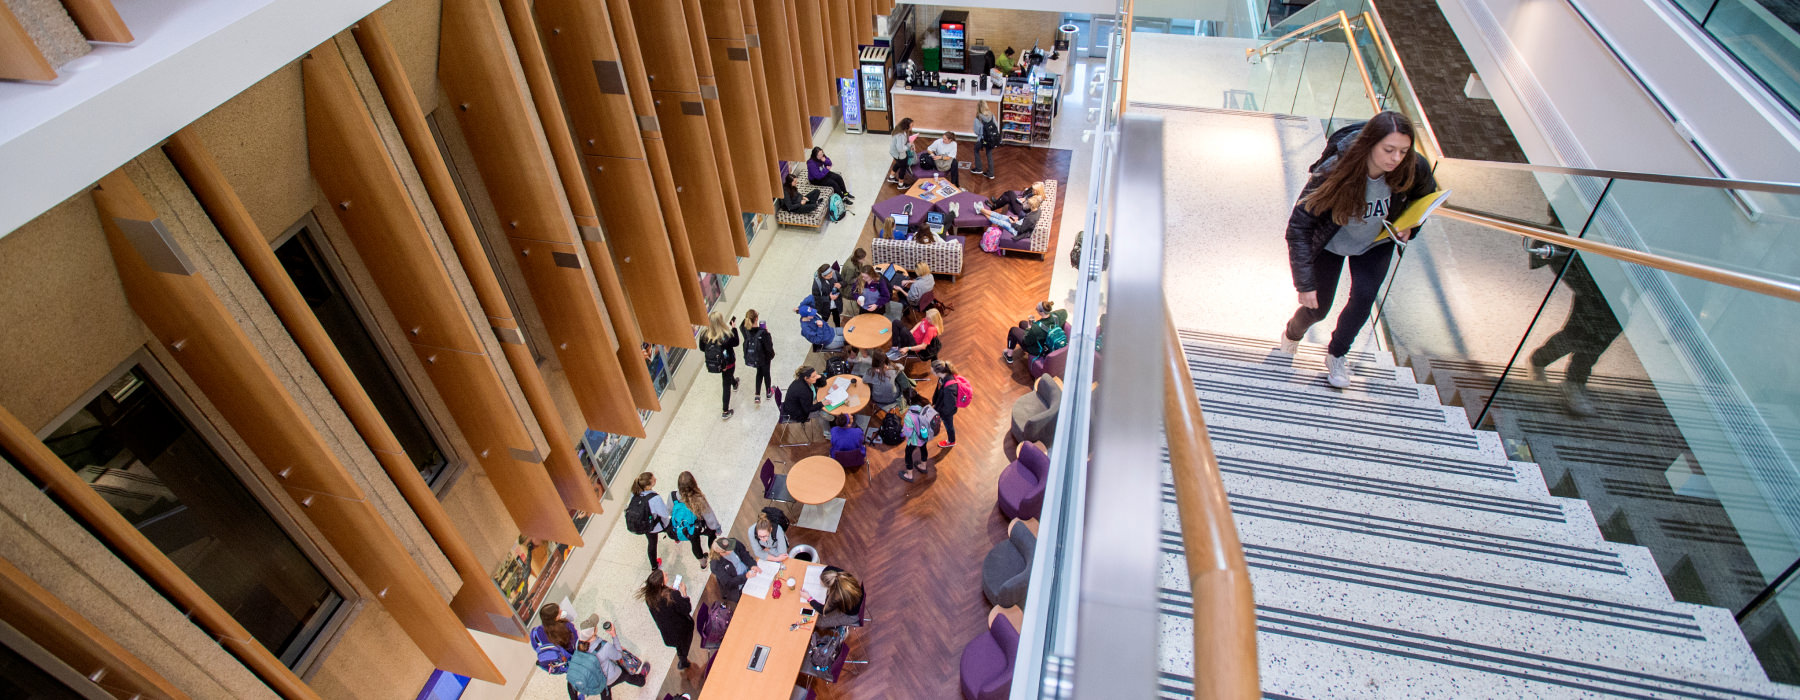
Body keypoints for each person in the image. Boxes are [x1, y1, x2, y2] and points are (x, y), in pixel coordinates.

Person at [1279, 111, 1437, 388]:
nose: (1396, 158)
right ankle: (1292, 333)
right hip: (1331, 241)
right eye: (1389, 150)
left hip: (1376, 242)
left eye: (1403, 151)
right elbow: (1299, 227)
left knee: (1363, 299)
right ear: (1370, 144)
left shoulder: (1412, 166)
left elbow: (1424, 197)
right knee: (1318, 309)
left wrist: (1411, 226)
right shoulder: (1334, 170)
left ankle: (1337, 354)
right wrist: (1304, 284)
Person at [1525, 255, 1620, 416]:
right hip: (1580, 251)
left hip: (1616, 264)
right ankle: (1556, 369)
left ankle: (1566, 374)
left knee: (1609, 317)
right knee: (1594, 314)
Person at [637, 570, 695, 670]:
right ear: (661, 583)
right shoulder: (672, 595)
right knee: (684, 646)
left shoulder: (649, 598)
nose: (667, 575)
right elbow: (686, 609)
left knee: (679, 646)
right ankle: (683, 661)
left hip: (668, 633)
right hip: (682, 629)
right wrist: (684, 593)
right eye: (665, 576)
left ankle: (682, 658)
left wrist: (668, 590)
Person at [532, 603, 584, 700]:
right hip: (571, 659)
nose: (562, 612)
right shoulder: (567, 626)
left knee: (571, 678)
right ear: (554, 618)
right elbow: (575, 645)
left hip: (558, 662)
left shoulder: (535, 632)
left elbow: (536, 647)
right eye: (559, 613)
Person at [697, 312, 740, 419]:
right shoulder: (726, 335)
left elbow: (702, 348)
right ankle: (725, 411)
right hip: (728, 363)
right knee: (726, 384)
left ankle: (734, 383)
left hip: (715, 363)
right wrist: (734, 328)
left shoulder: (704, 335)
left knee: (728, 376)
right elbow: (737, 342)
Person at [673, 471, 721, 561]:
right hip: (700, 526)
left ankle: (702, 562)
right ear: (693, 483)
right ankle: (714, 556)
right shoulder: (698, 498)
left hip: (687, 528)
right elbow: (709, 516)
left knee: (695, 543)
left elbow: (669, 511)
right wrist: (717, 528)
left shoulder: (673, 496)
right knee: (711, 535)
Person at [1003, 301, 1069, 364]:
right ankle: (1015, 341)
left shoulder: (1036, 328)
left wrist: (1029, 328)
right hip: (1049, 341)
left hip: (1039, 349)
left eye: (1036, 309)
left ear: (1041, 312)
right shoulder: (1058, 315)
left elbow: (1026, 341)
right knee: (1022, 323)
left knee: (1013, 330)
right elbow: (1064, 312)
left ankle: (1009, 356)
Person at [629, 472, 671, 569]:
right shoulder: (654, 498)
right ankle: (676, 538)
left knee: (652, 544)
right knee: (670, 527)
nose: (655, 479)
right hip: (656, 525)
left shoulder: (633, 494)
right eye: (653, 480)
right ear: (648, 486)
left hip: (645, 526)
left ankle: (654, 566)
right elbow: (665, 514)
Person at [801, 567, 866, 629]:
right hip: (854, 601)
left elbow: (823, 611)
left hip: (851, 615)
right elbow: (827, 568)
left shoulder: (836, 595)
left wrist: (809, 598)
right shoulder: (841, 574)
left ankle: (839, 628)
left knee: (818, 621)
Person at [740, 311, 776, 406]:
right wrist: (767, 332)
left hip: (754, 358)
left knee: (759, 373)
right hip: (764, 359)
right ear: (756, 319)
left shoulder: (745, 330)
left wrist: (748, 316)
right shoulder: (762, 332)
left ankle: (757, 395)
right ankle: (769, 392)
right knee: (766, 374)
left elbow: (742, 324)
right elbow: (769, 346)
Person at [899, 392, 938, 482]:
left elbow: (908, 433)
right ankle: (923, 466)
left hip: (914, 439)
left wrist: (903, 431)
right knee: (923, 448)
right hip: (925, 435)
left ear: (908, 401)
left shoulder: (909, 416)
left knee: (908, 453)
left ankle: (909, 475)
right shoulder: (925, 404)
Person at [782, 366, 832, 435]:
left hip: (801, 405)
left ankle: (831, 420)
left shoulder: (806, 380)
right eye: (814, 376)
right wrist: (821, 404)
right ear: (806, 378)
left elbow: (823, 384)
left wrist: (820, 376)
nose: (816, 377)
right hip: (798, 413)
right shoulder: (803, 391)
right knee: (822, 412)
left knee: (823, 408)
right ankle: (827, 433)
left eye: (816, 374)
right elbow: (808, 409)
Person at [708, 537, 756, 604]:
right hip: (739, 587)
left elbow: (744, 554)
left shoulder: (733, 543)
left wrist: (752, 565)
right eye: (729, 549)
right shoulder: (716, 565)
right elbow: (728, 582)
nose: (732, 547)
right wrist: (745, 577)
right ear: (721, 552)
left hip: (750, 574)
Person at [931, 360, 967, 449]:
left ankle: (951, 441)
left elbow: (950, 406)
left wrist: (941, 414)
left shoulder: (950, 388)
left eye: (932, 371)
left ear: (938, 372)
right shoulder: (942, 378)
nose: (931, 372)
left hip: (946, 413)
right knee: (948, 425)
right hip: (941, 406)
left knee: (949, 426)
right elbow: (939, 391)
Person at [972, 101, 1000, 179]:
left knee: (976, 150)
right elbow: (996, 125)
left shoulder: (978, 118)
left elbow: (976, 131)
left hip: (982, 139)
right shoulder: (991, 115)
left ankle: (978, 169)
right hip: (991, 139)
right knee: (989, 154)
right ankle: (991, 173)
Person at [888, 118, 917, 187]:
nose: (912, 127)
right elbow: (900, 149)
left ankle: (891, 177)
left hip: (894, 152)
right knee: (903, 167)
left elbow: (904, 143)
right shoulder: (900, 135)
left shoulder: (901, 130)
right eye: (911, 125)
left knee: (898, 163)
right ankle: (901, 185)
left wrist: (911, 144)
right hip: (899, 153)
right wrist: (909, 146)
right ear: (906, 125)